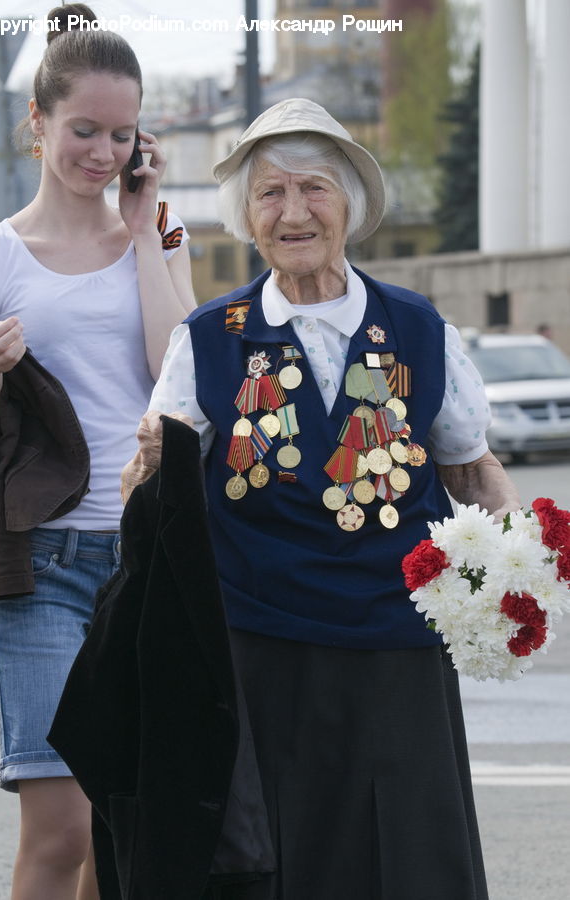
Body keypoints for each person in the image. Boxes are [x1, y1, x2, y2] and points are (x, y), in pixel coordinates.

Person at [131, 98, 521, 900]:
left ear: (350, 206)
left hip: (396, 646)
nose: (293, 211)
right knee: (273, 863)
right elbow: (153, 479)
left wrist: (516, 578)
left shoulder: (415, 329)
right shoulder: (212, 336)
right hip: (256, 650)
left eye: (314, 188)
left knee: (404, 864)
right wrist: (147, 470)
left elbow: (471, 470)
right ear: (246, 215)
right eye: (269, 193)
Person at [0, 4, 194, 898]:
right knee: (61, 828)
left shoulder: (162, 234)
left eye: (120, 133)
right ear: (37, 125)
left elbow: (176, 374)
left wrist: (143, 233)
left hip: (148, 550)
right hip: (48, 560)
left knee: (126, 822)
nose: (101, 152)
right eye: (82, 130)